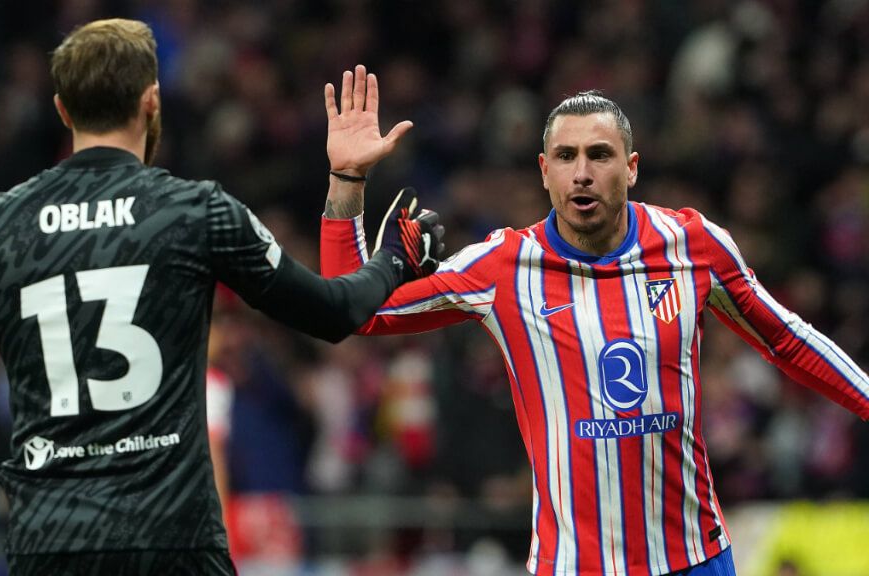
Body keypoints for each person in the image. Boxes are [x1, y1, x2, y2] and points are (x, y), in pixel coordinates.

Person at [0, 20, 443, 576]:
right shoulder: (196, 212)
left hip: (49, 542)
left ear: (63, 110)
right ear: (152, 101)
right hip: (174, 543)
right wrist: (398, 253)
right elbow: (335, 313)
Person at [320, 66, 869, 575]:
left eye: (600, 154)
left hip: (695, 560)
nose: (581, 173)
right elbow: (351, 313)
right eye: (565, 157)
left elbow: (788, 340)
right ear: (544, 171)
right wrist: (347, 179)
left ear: (631, 168)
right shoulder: (502, 267)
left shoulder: (692, 245)